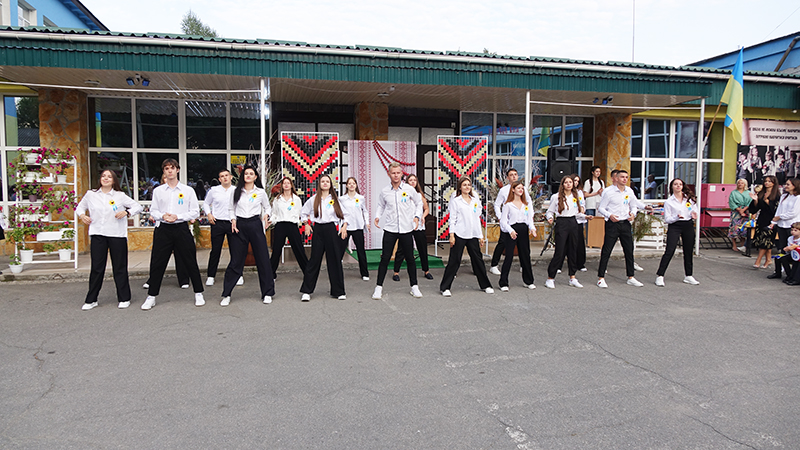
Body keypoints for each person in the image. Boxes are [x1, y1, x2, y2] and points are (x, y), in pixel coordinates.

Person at [141, 159, 205, 310]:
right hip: (163, 229)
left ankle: (198, 293)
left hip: (181, 228)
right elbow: (154, 210)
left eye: (172, 168)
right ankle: (151, 296)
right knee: (157, 263)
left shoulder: (188, 190)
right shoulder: (158, 191)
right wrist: (163, 216)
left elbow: (195, 211)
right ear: (164, 171)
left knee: (190, 261)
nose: (170, 171)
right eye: (166, 168)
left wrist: (178, 217)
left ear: (178, 170)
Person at [76, 169, 142, 310]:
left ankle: (124, 298)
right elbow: (79, 208)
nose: (106, 178)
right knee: (97, 268)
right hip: (98, 234)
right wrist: (82, 215)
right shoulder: (91, 194)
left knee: (119, 267)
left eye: (109, 177)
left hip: (116, 235)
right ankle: (91, 299)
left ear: (113, 181)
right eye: (103, 176)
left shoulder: (120, 196)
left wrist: (127, 212)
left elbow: (138, 206)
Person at [219, 165, 274, 306]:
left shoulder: (260, 192)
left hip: (255, 224)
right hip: (240, 226)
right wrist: (233, 220)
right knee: (236, 261)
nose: (248, 175)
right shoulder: (236, 191)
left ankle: (267, 293)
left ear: (255, 177)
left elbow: (267, 207)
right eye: (246, 173)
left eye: (251, 173)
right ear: (243, 176)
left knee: (263, 259)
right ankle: (226, 294)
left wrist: (267, 215)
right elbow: (231, 208)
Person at [372, 162, 424, 300]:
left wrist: (417, 216)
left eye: (398, 173)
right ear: (389, 174)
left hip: (406, 229)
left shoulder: (409, 189)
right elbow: (381, 205)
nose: (396, 175)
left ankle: (414, 286)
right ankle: (378, 288)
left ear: (402, 174)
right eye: (393, 173)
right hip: (390, 228)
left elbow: (419, 203)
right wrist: (377, 216)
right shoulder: (385, 191)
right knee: (385, 258)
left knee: (410, 258)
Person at [440, 177, 494, 296]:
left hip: (473, 234)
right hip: (459, 233)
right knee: (454, 261)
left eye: (469, 185)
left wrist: (480, 236)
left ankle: (486, 285)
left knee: (478, 260)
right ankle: (445, 287)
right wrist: (451, 235)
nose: (467, 187)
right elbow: (452, 219)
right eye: (464, 185)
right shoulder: (456, 201)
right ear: (460, 187)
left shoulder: (475, 200)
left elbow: (476, 219)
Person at [299, 174, 348, 301]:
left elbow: (345, 215)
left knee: (334, 260)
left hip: (331, 230)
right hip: (318, 230)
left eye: (327, 181)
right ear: (319, 184)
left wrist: (344, 226)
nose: (325, 183)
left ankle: (338, 291)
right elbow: (303, 212)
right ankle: (307, 291)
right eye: (323, 181)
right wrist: (306, 224)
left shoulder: (336, 200)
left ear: (330, 184)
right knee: (314, 260)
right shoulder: (313, 199)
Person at [596, 169, 643, 288]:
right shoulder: (609, 192)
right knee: (607, 250)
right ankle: (601, 277)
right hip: (613, 223)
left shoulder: (629, 191)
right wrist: (609, 215)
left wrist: (633, 214)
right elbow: (601, 208)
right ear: (616, 178)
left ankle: (630, 276)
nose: (624, 179)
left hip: (625, 223)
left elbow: (634, 206)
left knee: (629, 250)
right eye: (622, 177)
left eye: (626, 177)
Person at [655, 178, 700, 287]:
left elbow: (695, 210)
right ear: (672, 187)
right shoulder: (669, 202)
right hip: (675, 225)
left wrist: (694, 214)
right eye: (675, 184)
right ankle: (660, 275)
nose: (678, 186)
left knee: (688, 250)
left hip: (688, 225)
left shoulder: (689, 199)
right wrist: (676, 217)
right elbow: (667, 219)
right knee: (670, 250)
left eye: (680, 184)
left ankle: (688, 275)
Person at [544, 176, 586, 289]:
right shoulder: (556, 197)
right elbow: (549, 211)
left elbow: (577, 213)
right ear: (562, 184)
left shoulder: (575, 196)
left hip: (573, 222)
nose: (568, 184)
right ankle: (550, 278)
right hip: (562, 223)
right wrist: (550, 218)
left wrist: (585, 216)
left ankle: (572, 277)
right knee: (560, 251)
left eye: (570, 182)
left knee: (573, 250)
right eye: (566, 182)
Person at [489, 168, 532, 275]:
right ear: (507, 178)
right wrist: (500, 217)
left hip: (520, 222)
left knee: (524, 246)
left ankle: (524, 266)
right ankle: (494, 264)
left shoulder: (523, 189)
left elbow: (529, 203)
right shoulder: (503, 190)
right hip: (507, 222)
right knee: (503, 243)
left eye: (515, 174)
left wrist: (530, 217)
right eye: (511, 175)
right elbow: (497, 205)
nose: (514, 176)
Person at [203, 169, 241, 286]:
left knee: (235, 250)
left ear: (231, 177)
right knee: (215, 250)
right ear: (219, 179)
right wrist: (209, 214)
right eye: (222, 176)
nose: (225, 178)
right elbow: (206, 203)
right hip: (217, 223)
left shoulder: (236, 190)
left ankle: (238, 275)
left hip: (232, 223)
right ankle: (211, 275)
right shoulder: (214, 190)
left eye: (226, 175)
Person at [392, 174, 433, 281]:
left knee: (422, 248)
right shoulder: (403, 193)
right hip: (406, 225)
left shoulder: (420, 195)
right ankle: (396, 272)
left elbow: (426, 209)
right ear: (407, 182)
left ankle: (426, 270)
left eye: (415, 180)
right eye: (411, 180)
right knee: (401, 249)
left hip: (418, 225)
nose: (413, 182)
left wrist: (423, 216)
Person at [497, 181, 537, 290]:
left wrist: (532, 228)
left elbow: (529, 219)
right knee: (509, 256)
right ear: (513, 190)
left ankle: (528, 281)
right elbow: (503, 221)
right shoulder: (508, 205)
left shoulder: (526, 204)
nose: (521, 190)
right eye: (518, 188)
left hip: (523, 229)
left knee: (525, 255)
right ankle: (503, 283)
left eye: (522, 188)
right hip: (512, 230)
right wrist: (510, 230)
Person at [270, 177, 309, 279]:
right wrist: (271, 221)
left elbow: (300, 213)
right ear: (282, 186)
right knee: (276, 250)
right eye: (284, 183)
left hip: (292, 225)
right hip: (280, 225)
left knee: (299, 249)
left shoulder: (296, 199)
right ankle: (271, 274)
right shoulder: (277, 199)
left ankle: (308, 273)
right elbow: (274, 213)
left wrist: (306, 222)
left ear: (291, 185)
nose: (286, 185)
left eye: (288, 183)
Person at [768, 178, 800, 281]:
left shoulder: (798, 198)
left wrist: (780, 217)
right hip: (781, 225)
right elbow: (779, 209)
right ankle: (778, 271)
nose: (786, 186)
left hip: (792, 225)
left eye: (788, 184)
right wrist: (774, 221)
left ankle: (792, 274)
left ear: (794, 186)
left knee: (792, 248)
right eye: (785, 184)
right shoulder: (784, 196)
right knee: (782, 248)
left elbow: (793, 213)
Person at [339, 177, 370, 281]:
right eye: (349, 183)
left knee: (361, 250)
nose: (351, 185)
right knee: (340, 250)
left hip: (358, 226)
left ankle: (364, 273)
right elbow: (340, 213)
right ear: (346, 186)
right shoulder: (342, 199)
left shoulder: (360, 198)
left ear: (356, 185)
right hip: (346, 227)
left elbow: (365, 211)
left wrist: (367, 222)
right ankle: (337, 273)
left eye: (353, 183)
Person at [748, 176, 780, 269]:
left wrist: (767, 201)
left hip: (772, 220)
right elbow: (754, 209)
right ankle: (768, 260)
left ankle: (758, 261)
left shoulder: (777, 195)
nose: (767, 183)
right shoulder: (762, 193)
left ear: (774, 183)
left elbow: (776, 210)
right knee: (763, 241)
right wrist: (755, 201)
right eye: (766, 181)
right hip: (762, 219)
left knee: (766, 241)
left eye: (769, 181)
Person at [728, 178, 752, 253]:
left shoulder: (748, 193)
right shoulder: (733, 193)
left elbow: (750, 202)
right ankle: (734, 245)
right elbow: (731, 202)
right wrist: (739, 210)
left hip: (745, 211)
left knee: (744, 228)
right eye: (739, 183)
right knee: (734, 228)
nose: (740, 184)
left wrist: (743, 210)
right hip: (736, 212)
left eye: (742, 183)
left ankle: (742, 245)